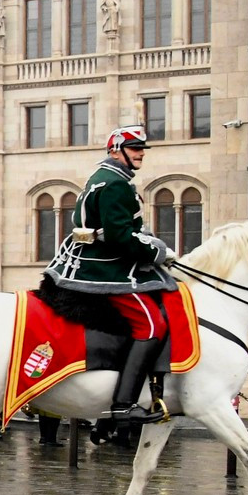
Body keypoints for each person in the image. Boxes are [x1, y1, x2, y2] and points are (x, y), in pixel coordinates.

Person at [46, 125, 177, 422]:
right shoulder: (116, 184)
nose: (141, 154)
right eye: (135, 149)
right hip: (105, 266)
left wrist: (146, 240)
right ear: (116, 151)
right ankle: (124, 404)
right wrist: (157, 252)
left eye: (142, 149)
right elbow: (119, 237)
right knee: (152, 325)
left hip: (90, 258)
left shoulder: (104, 177)